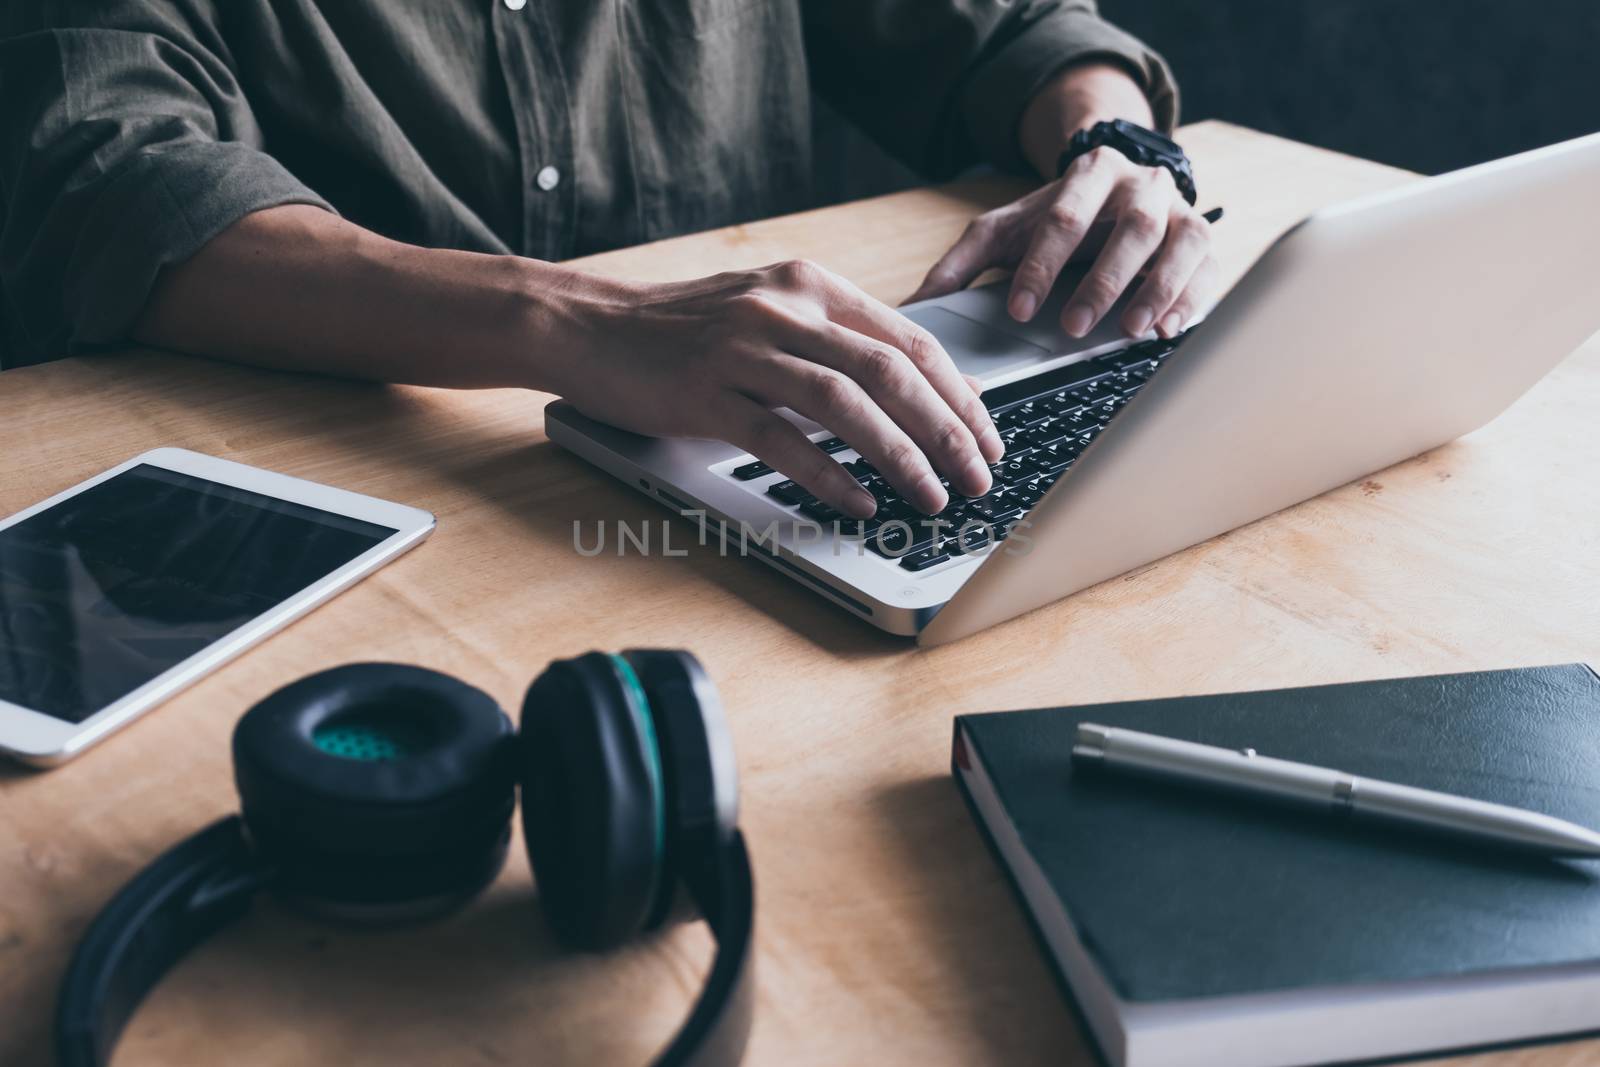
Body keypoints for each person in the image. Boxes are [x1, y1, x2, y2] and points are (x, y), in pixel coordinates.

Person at [0, 2, 1215, 519]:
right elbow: (109, 184)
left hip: (766, 456)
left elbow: (1000, 30)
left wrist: (1111, 144)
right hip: (380, 496)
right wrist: (577, 323)